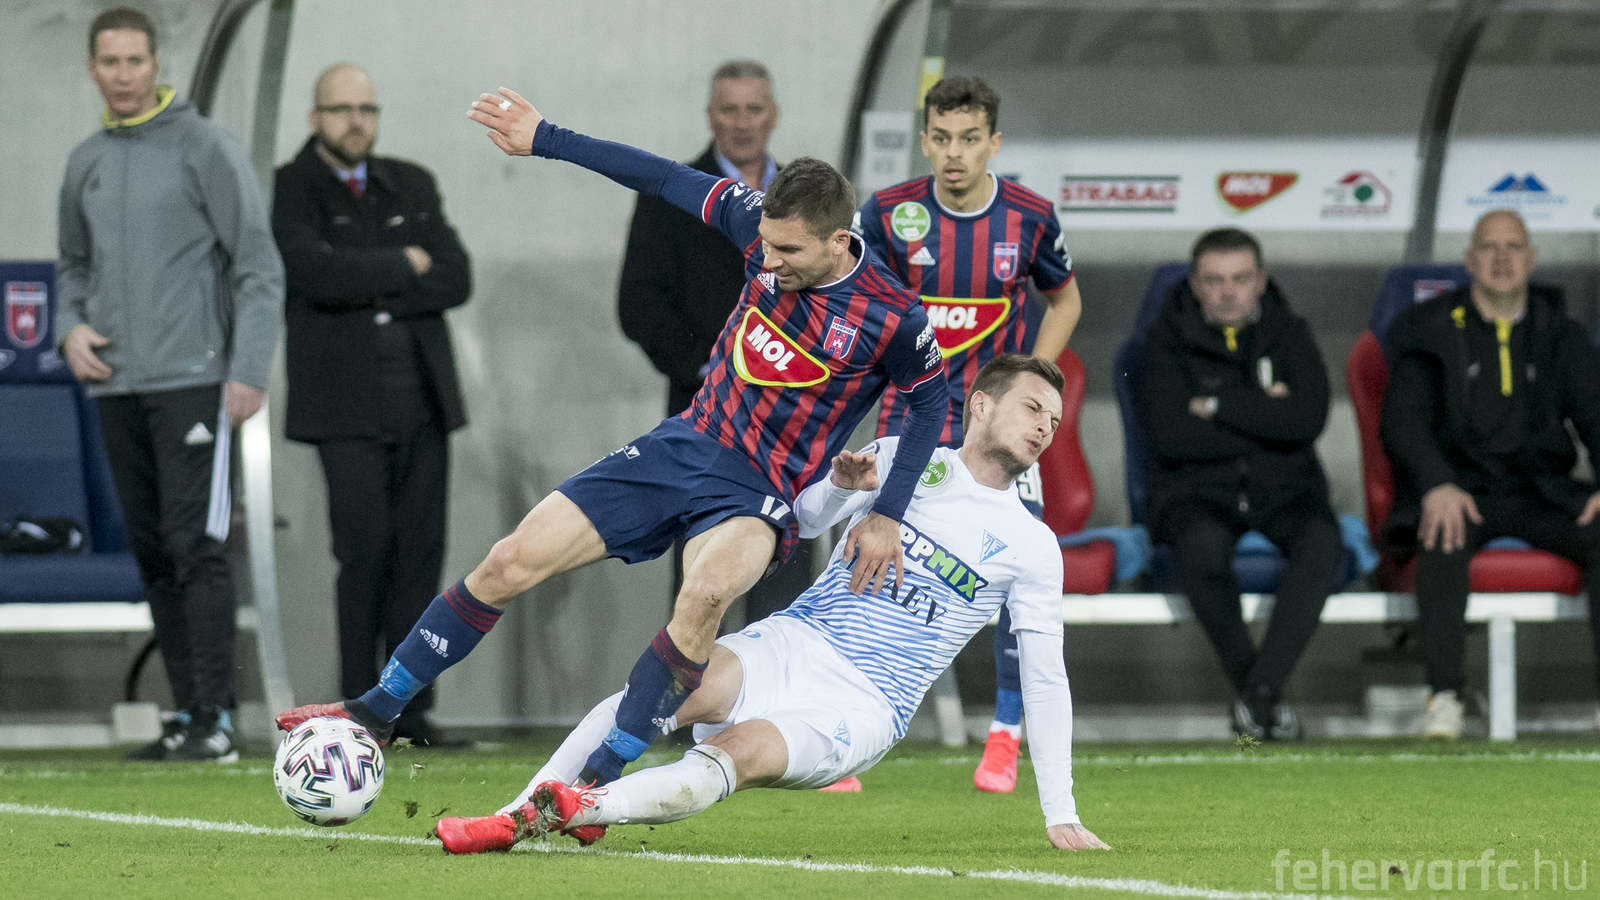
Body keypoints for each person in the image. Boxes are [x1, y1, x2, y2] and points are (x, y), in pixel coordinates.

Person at [276, 85, 949, 793]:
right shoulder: (754, 222)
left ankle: (594, 780)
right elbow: (658, 176)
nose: (769, 262)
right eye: (767, 245)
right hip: (684, 444)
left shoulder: (893, 316)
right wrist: (546, 137)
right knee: (509, 561)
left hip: (761, 490)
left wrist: (887, 515)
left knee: (705, 594)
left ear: (839, 241)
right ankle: (376, 710)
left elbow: (930, 403)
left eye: (789, 251)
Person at [432, 356, 1109, 854]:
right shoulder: (906, 459)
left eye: (1054, 419)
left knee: (736, 753)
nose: (1045, 428)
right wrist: (841, 489)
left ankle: (586, 806)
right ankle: (512, 817)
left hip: (864, 702)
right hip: (794, 641)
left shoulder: (1032, 544)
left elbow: (1045, 678)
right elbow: (805, 521)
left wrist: (1061, 810)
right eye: (1032, 409)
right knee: (656, 690)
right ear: (981, 405)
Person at [56, 7, 284, 762]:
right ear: (92, 69)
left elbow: (258, 266)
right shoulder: (85, 161)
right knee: (153, 550)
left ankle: (215, 720)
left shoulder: (205, 147)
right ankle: (188, 716)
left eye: (135, 60)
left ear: (157, 65)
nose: (123, 74)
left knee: (196, 545)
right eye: (110, 62)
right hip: (115, 387)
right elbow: (73, 267)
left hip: (196, 383)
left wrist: (246, 371)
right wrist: (68, 327)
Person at [855, 75, 1081, 792]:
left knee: (1018, 566)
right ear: (925, 141)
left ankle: (1006, 734)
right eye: (942, 138)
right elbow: (857, 299)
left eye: (970, 139)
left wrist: (1034, 382)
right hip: (913, 413)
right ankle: (842, 718)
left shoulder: (1029, 217)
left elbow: (1065, 300)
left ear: (994, 143)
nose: (955, 153)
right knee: (873, 556)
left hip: (997, 424)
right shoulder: (888, 214)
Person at [272, 63, 473, 746]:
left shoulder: (410, 182)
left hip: (422, 402)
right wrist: (403, 263)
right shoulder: (289, 188)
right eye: (340, 109)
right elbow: (313, 274)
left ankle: (411, 711)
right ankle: (361, 711)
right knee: (364, 557)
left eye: (366, 108)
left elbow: (455, 277)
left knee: (420, 560)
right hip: (343, 407)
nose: (355, 121)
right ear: (314, 118)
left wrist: (364, 279)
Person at [1382, 208, 1600, 739]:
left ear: (1532, 259)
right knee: (1441, 533)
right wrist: (1436, 483)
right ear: (1469, 259)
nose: (1502, 258)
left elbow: (1595, 416)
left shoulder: (1560, 334)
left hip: (1541, 492)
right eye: (1489, 247)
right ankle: (1445, 698)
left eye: (1513, 247)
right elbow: (1403, 422)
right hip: (1462, 491)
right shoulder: (1429, 329)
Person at [616, 60, 810, 625]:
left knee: (787, 585)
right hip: (705, 415)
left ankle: (778, 687)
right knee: (701, 587)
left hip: (796, 417)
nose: (742, 122)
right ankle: (688, 687)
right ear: (710, 116)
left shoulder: (811, 200)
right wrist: (709, 367)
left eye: (753, 109)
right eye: (730, 109)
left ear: (773, 115)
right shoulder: (672, 194)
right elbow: (638, 303)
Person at [1136, 228, 1341, 742]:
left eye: (1240, 279)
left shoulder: (1291, 333)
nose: (1228, 292)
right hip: (1196, 495)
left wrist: (1216, 406)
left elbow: (1308, 419)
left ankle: (1259, 696)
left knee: (1324, 543)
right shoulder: (1161, 342)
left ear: (1261, 280)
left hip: (1287, 492)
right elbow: (1171, 437)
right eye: (1214, 280)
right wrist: (1267, 412)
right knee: (1201, 548)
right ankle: (1265, 700)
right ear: (1195, 284)